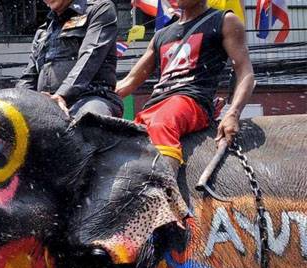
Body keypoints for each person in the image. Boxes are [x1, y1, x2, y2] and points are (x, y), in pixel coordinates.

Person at [117, 0, 254, 174]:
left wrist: (233, 113)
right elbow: (128, 82)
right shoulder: (161, 35)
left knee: (162, 124)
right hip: (155, 107)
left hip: (192, 102)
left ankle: (165, 196)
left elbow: (245, 72)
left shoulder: (224, 20)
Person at [17, 0, 123, 118]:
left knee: (89, 120)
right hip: (46, 105)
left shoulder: (100, 9)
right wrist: (19, 102)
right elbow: (29, 77)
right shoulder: (43, 31)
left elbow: (90, 56)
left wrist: (63, 95)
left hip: (91, 97)